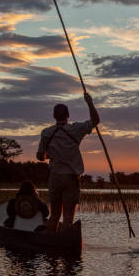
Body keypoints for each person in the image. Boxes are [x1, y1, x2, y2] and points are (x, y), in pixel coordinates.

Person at [36, 92, 100, 231]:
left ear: (54, 116)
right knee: (68, 218)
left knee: (54, 216)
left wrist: (49, 154)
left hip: (55, 177)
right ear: (68, 115)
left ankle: (50, 246)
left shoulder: (46, 133)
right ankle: (64, 247)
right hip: (70, 178)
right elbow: (95, 121)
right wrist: (89, 102)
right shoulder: (75, 129)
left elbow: (40, 156)